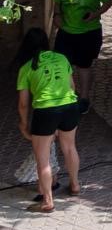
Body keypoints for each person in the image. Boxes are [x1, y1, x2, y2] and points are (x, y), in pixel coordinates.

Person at [15, 28, 80, 212]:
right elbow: (72, 87)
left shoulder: (27, 67)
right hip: (69, 106)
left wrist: (23, 124)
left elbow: (23, 104)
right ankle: (75, 186)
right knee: (70, 148)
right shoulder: (62, 58)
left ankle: (47, 201)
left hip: (45, 111)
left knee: (42, 159)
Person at [52, 0, 112, 94]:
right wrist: (57, 15)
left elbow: (108, 2)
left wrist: (95, 14)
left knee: (84, 66)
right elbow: (57, 3)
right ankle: (69, 95)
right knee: (64, 66)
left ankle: (84, 98)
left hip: (89, 33)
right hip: (66, 32)